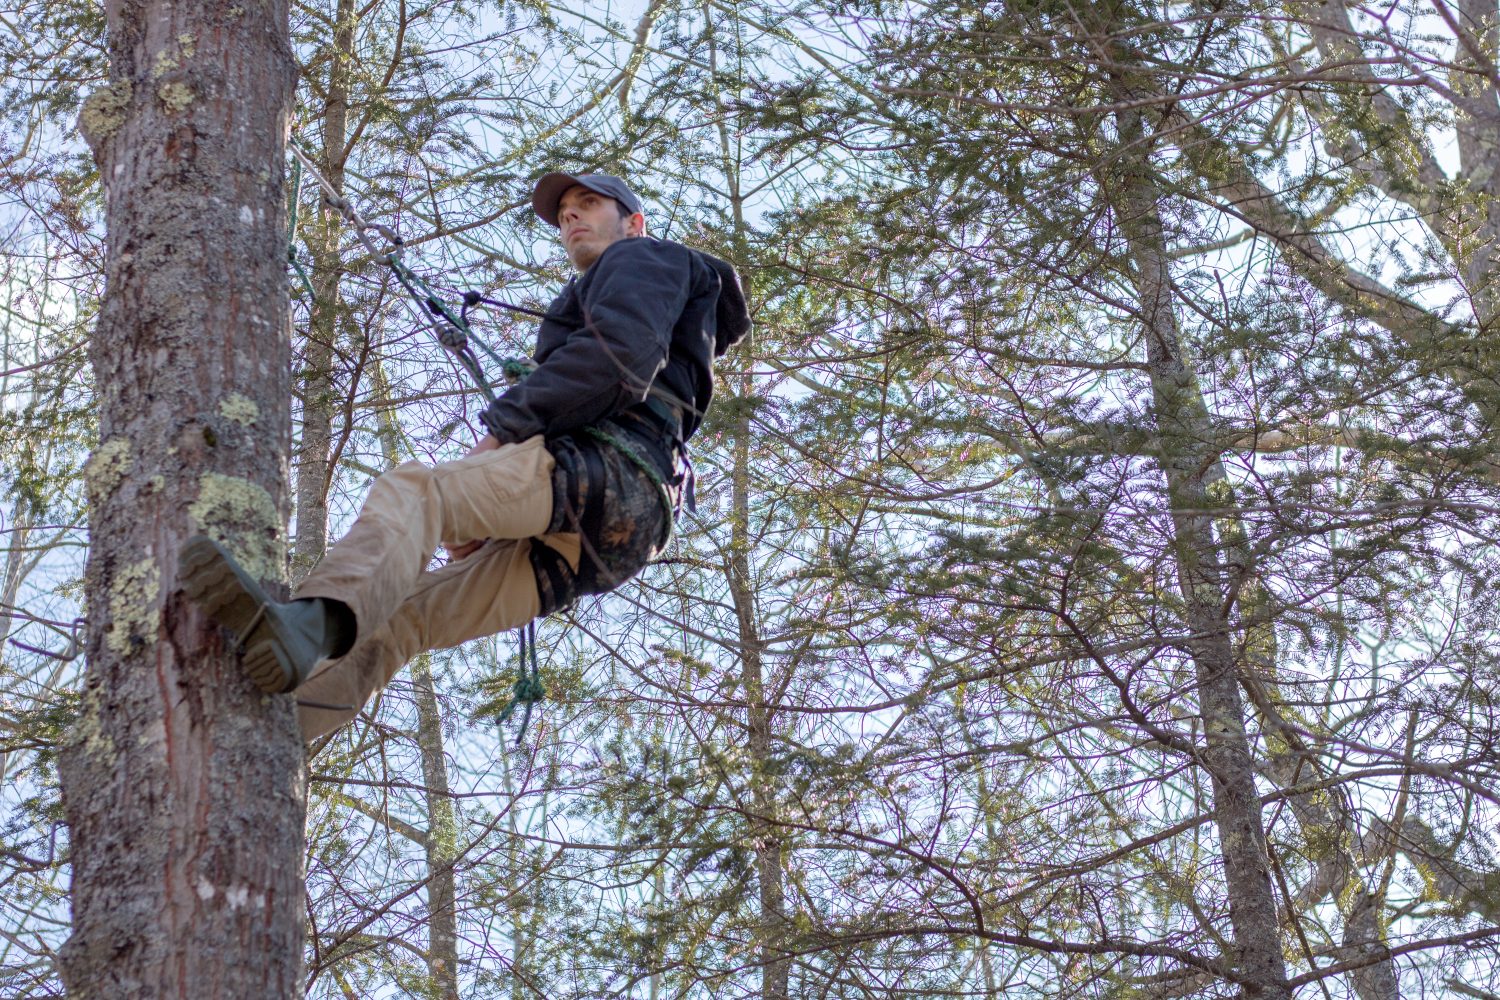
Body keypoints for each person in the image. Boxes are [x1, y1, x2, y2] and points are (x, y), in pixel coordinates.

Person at [180, 171, 751, 739]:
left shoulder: (642, 257)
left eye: (589, 203)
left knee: (418, 491)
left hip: (610, 472)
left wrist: (500, 434)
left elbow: (618, 360)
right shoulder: (648, 297)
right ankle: (268, 738)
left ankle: (310, 623)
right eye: (563, 213)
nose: (570, 216)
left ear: (633, 222)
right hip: (619, 536)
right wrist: (492, 524)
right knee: (404, 615)